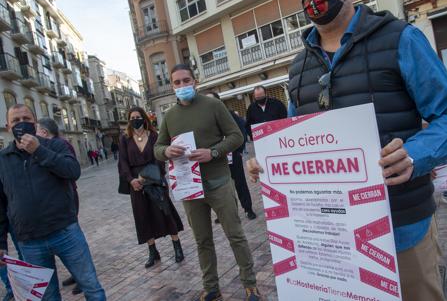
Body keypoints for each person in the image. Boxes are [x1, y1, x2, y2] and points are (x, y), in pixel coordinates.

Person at [247, 0, 447, 300]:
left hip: (402, 227)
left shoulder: (401, 39)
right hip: (334, 238)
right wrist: (270, 163)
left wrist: (414, 155)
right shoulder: (297, 68)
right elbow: (294, 138)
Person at [154, 64, 261, 301]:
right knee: (202, 241)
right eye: (177, 82)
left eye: (186, 80)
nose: (182, 86)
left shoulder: (213, 105)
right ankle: (211, 287)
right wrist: (166, 150)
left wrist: (212, 153)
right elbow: (157, 147)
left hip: (219, 182)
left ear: (195, 81)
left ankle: (250, 284)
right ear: (172, 86)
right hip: (190, 187)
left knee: (235, 235)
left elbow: (236, 136)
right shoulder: (170, 116)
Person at [0, 104, 105, 301]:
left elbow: (73, 171)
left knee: (91, 287)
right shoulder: (3, 159)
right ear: (8, 127)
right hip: (30, 242)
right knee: (48, 297)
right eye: (15, 121)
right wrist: (1, 242)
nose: (21, 124)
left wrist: (38, 150)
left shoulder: (54, 145)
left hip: (65, 231)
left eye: (26, 119)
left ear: (35, 122)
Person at [118, 107, 184, 267]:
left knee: (165, 211)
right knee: (143, 216)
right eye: (132, 117)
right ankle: (153, 251)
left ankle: (177, 247)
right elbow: (123, 162)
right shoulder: (125, 138)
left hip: (155, 179)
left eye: (138, 117)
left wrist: (147, 177)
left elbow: (160, 158)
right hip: (136, 185)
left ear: (144, 118)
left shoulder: (154, 136)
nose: (135, 120)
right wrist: (131, 180)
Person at [36, 118, 83, 295]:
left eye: (37, 131)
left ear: (45, 133)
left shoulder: (60, 144)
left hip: (67, 196)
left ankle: (81, 278)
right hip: (58, 198)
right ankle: (75, 274)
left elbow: (70, 169)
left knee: (71, 237)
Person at [207, 92, 256, 220]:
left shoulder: (229, 115)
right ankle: (223, 213)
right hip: (216, 159)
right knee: (221, 188)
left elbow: (242, 131)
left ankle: (248, 209)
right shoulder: (205, 119)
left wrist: (239, 150)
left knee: (240, 183)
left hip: (233, 156)